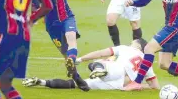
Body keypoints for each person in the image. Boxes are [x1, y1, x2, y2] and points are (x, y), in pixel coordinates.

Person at [42, 0, 94, 91]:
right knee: (65, 52)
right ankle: (77, 78)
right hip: (52, 23)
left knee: (71, 38)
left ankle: (72, 60)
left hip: (67, 17)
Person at [22, 39, 159, 91]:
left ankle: (98, 69)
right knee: (81, 85)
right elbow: (155, 87)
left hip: (115, 71)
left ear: (138, 46)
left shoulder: (125, 48)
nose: (131, 43)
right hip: (118, 85)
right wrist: (137, 86)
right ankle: (41, 82)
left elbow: (100, 53)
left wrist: (80, 59)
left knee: (97, 63)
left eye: (133, 42)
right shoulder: (148, 63)